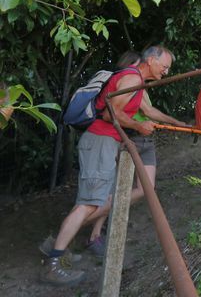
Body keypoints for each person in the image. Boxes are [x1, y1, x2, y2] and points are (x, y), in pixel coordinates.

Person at [41, 46, 175, 286]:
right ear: (152, 60)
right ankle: (53, 261)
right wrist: (138, 126)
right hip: (100, 140)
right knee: (89, 204)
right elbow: (109, 113)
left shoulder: (135, 79)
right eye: (164, 66)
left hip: (104, 142)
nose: (165, 72)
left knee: (91, 202)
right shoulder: (132, 77)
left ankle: (58, 250)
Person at [83, 50, 187, 255]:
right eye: (163, 66)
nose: (164, 71)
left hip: (138, 138)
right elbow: (135, 113)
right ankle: (88, 226)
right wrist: (143, 126)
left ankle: (93, 225)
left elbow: (149, 110)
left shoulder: (137, 84)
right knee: (118, 189)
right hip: (131, 138)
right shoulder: (131, 81)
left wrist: (175, 122)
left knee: (130, 189)